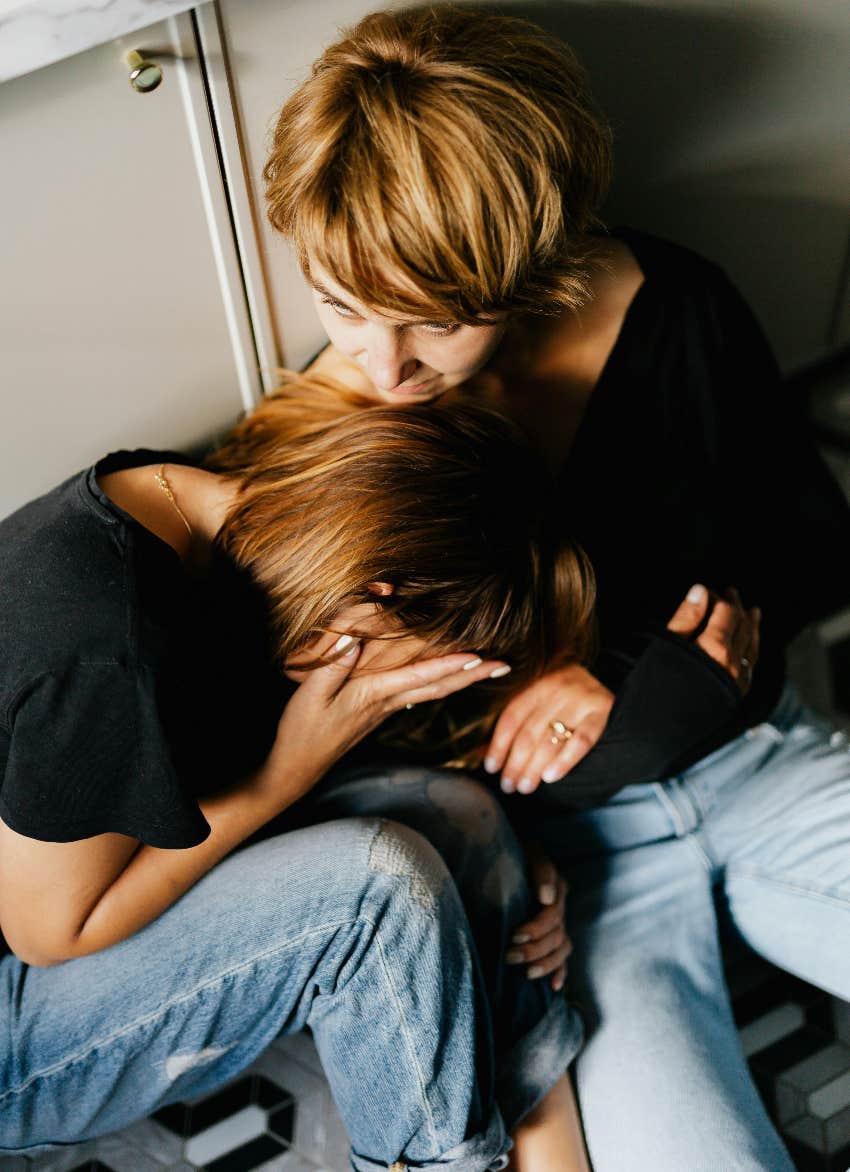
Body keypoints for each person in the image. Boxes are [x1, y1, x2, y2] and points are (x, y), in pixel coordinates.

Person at [262, 7, 850, 1169]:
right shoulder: (335, 435)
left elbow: (811, 546)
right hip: (583, 880)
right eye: (341, 305)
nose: (385, 367)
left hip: (757, 759)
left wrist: (620, 657)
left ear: (528, 268)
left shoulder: (676, 305)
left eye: (436, 318)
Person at [0, 384, 594, 1171]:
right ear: (370, 605)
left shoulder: (210, 514)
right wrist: (285, 776)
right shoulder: (106, 646)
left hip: (74, 893)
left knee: (460, 815)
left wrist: (500, 874)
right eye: (415, 666)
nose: (396, 691)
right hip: (22, 994)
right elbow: (50, 933)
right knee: (377, 887)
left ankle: (545, 1144)